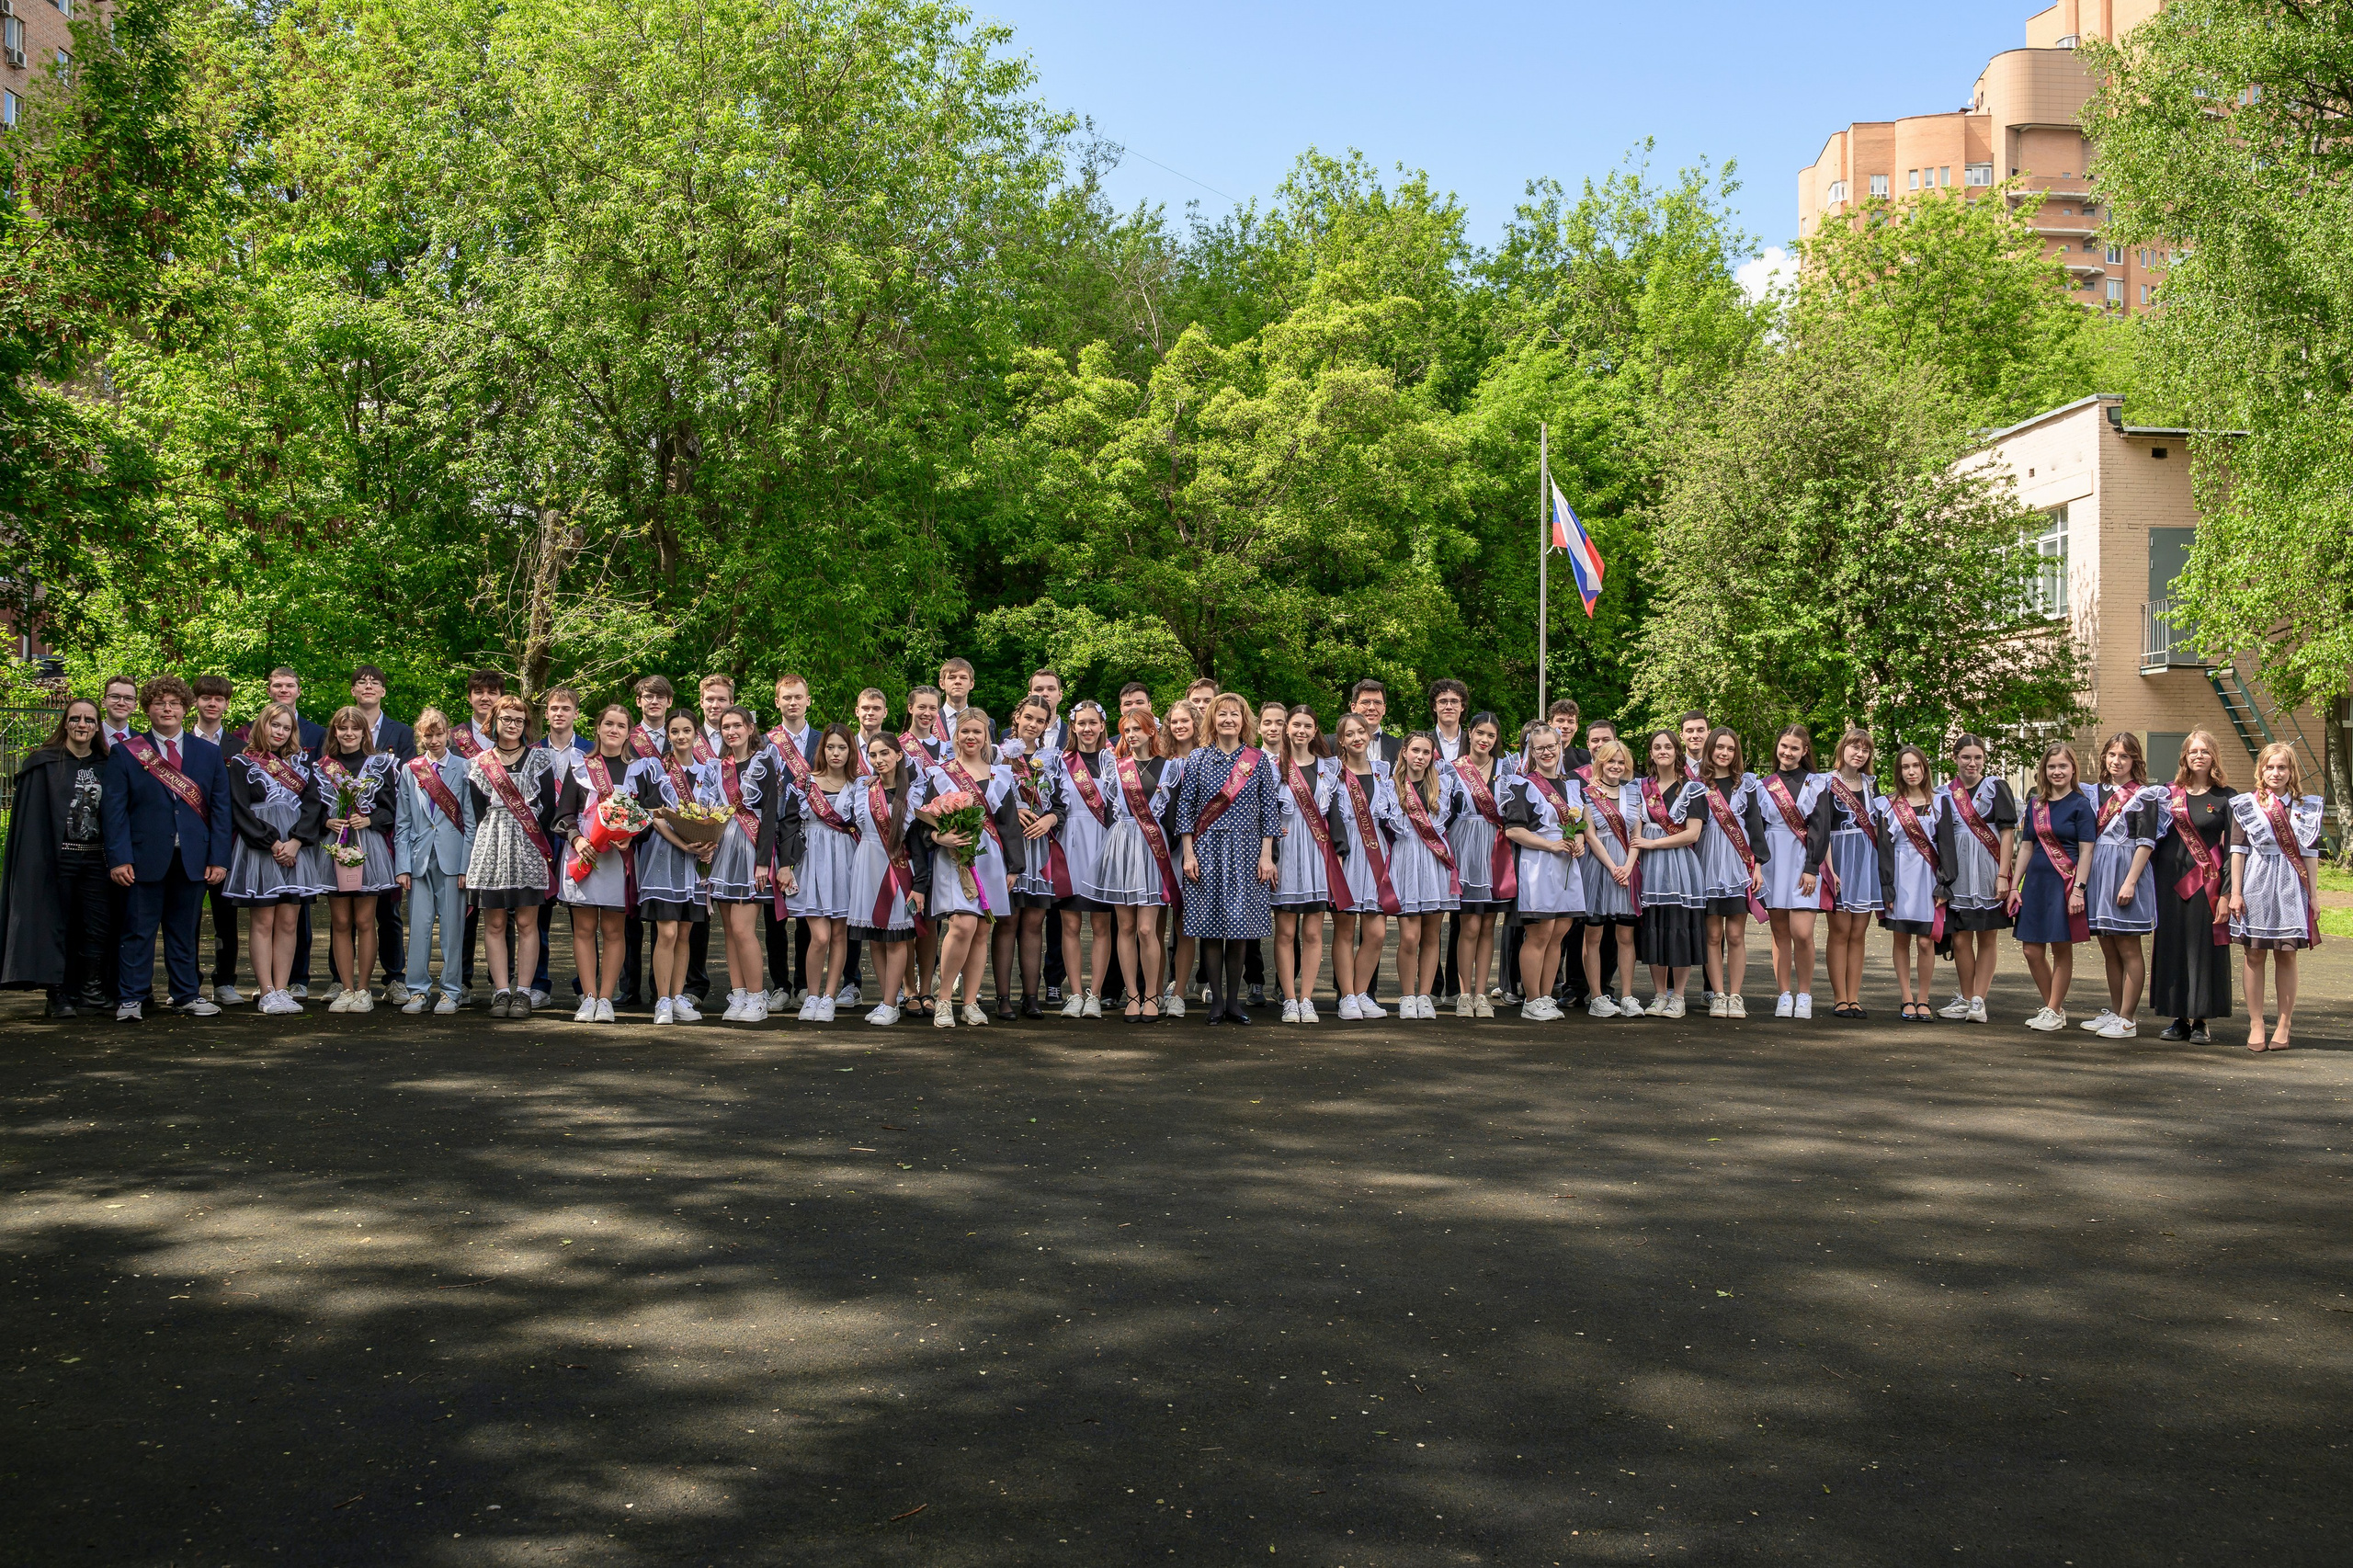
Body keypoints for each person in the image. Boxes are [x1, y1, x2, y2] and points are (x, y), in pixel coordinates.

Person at [102, 676, 232, 1020]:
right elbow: (114, 812)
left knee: (184, 931)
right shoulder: (126, 752)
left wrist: (219, 858)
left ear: (185, 708)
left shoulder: (208, 752)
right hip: (142, 858)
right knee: (138, 930)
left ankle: (187, 994)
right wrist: (119, 858)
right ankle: (131, 998)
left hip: (192, 857)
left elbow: (221, 810)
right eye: (159, 703)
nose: (167, 709)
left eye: (174, 703)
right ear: (147, 709)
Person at [0, 700, 114, 1015]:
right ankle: (59, 994)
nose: (82, 724)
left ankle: (91, 991)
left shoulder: (107, 764)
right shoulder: (43, 763)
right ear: (65, 723)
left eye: (89, 720)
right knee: (55, 924)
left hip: (95, 860)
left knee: (96, 925)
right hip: (55, 858)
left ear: (96, 726)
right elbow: (31, 822)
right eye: (75, 718)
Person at [1176, 691, 1281, 1025]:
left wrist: (1267, 857)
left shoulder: (1257, 760)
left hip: (1248, 851)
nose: (1228, 720)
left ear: (1243, 720)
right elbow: (1185, 811)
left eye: (1234, 714)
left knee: (1239, 929)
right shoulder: (1197, 759)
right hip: (1206, 851)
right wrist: (1188, 854)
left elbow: (1269, 812)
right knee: (1209, 928)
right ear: (1212, 719)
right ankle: (1217, 1002)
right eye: (1222, 714)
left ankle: (1235, 1002)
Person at [222, 700, 328, 1015]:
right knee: (263, 920)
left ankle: (283, 989)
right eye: (274, 725)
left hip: (295, 849)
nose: (280, 732)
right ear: (262, 725)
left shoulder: (302, 764)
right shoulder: (242, 762)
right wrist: (273, 843)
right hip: (261, 848)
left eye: (286, 727)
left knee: (288, 920)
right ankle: (266, 990)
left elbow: (314, 806)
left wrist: (295, 842)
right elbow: (239, 810)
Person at [916, 707, 1021, 1029]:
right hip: (954, 858)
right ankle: (944, 999)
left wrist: (1014, 867)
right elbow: (922, 825)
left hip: (990, 856)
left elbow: (1009, 825)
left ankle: (971, 1001)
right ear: (956, 735)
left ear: (986, 736)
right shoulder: (939, 774)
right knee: (961, 925)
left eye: (977, 732)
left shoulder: (1000, 775)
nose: (971, 737)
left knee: (981, 931)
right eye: (965, 731)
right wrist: (939, 836)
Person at [464, 694, 563, 1020]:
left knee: (526, 922)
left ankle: (523, 992)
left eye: (519, 720)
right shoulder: (480, 764)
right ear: (495, 722)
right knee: (493, 923)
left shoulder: (540, 760)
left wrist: (542, 853)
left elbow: (548, 810)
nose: (512, 725)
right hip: (491, 847)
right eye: (506, 719)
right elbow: (478, 813)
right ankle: (501, 990)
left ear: (526, 725)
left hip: (529, 848)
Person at [2229, 742, 2323, 1052]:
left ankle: (2284, 1023)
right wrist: (2236, 893)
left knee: (2286, 953)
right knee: (2254, 954)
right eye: (2269, 766)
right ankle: (2257, 1023)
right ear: (2261, 770)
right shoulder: (2246, 804)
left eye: (2282, 767)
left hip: (2291, 885)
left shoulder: (2306, 807)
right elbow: (2238, 851)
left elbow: (2310, 853)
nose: (2275, 772)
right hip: (2256, 881)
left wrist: (2314, 896)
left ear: (2291, 771)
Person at [551, 705, 642, 1022]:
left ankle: (606, 999)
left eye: (621, 726)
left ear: (629, 732)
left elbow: (648, 818)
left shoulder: (639, 770)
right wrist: (577, 840)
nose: (614, 730)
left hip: (618, 859)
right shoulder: (579, 765)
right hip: (584, 854)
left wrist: (631, 838)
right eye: (608, 724)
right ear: (598, 728)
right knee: (585, 928)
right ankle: (588, 997)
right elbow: (563, 814)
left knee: (614, 930)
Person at [629, 711, 717, 1025]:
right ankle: (662, 1000)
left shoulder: (710, 771)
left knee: (684, 934)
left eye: (687, 730)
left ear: (697, 734)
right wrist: (684, 845)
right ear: (668, 734)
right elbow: (654, 815)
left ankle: (678, 996)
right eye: (675, 731)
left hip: (695, 864)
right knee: (665, 931)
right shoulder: (656, 770)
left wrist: (708, 846)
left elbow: (716, 816)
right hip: (664, 856)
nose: (681, 736)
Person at [2081, 733, 2171, 1040]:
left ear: (2135, 760)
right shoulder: (2095, 793)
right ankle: (2115, 1010)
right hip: (2099, 872)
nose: (2116, 761)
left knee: (2128, 946)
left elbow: (2146, 843)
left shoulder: (2144, 795)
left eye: (2124, 756)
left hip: (2126, 870)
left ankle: (2128, 1018)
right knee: (2108, 947)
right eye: (2111, 755)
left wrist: (2130, 882)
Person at [2150, 730, 2234, 1044]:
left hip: (2207, 886)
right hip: (2169, 881)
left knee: (2202, 948)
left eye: (2205, 751)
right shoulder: (2168, 794)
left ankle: (2201, 1019)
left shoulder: (2226, 797)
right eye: (2193, 751)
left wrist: (2226, 893)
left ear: (2214, 756)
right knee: (2172, 945)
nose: (2199, 756)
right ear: (2184, 756)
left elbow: (2234, 850)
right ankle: (2177, 1017)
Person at [2007, 743, 2097, 1032]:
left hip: (2065, 883)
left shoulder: (2081, 805)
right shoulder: (2036, 804)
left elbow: (2087, 852)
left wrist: (2079, 890)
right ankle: (2053, 1007)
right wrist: (2013, 885)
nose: (2057, 772)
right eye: (2051, 767)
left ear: (2073, 769)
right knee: (2031, 949)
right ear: (2044, 771)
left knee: (2061, 947)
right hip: (2035, 882)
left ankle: (2053, 1008)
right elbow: (2026, 846)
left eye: (2062, 766)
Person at [707, 705, 790, 1023]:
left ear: (750, 728)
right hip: (724, 848)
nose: (732, 731)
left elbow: (770, 814)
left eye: (737, 725)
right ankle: (738, 994)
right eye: (726, 726)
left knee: (743, 929)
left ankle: (757, 997)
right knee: (728, 930)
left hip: (752, 849)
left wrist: (762, 862)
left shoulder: (764, 761)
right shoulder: (719, 766)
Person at [314, 707, 399, 1013]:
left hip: (368, 846)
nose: (349, 734)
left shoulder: (379, 764)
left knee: (365, 921)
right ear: (334, 732)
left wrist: (370, 820)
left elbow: (391, 810)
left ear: (365, 732)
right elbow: (313, 810)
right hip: (335, 845)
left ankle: (364, 990)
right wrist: (327, 823)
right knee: (340, 921)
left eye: (355, 729)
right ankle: (346, 989)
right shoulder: (322, 766)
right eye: (342, 728)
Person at [1501, 722, 1586, 1021]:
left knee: (1558, 934)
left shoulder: (1571, 785)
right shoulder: (1523, 784)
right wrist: (1550, 847)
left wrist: (1578, 840)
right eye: (1540, 748)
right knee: (1540, 933)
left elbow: (1579, 825)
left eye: (1552, 746)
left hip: (1566, 865)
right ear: (1532, 752)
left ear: (1559, 747)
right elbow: (1513, 831)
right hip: (1538, 864)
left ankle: (1547, 996)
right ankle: (1532, 999)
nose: (1547, 752)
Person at [392, 708, 472, 1017]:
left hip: (453, 862)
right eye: (428, 734)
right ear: (421, 736)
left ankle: (451, 992)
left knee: (452, 932)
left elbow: (470, 821)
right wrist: (402, 866)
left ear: (448, 733)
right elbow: (403, 822)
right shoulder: (410, 770)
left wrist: (466, 865)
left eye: (439, 733)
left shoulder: (464, 768)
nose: (435, 739)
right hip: (418, 861)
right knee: (420, 930)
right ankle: (417, 991)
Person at [1099, 710, 1179, 1021]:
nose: (1131, 734)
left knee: (1148, 929)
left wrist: (1160, 850)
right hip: (1122, 846)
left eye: (1137, 729)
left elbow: (1172, 817)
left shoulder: (1169, 768)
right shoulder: (1115, 767)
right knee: (1127, 926)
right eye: (1126, 729)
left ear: (1151, 731)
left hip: (1153, 850)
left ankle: (1152, 994)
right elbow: (1110, 812)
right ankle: (1132, 994)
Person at [781, 723, 861, 1022]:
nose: (836, 753)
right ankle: (811, 995)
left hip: (846, 861)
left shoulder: (860, 786)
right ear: (822, 750)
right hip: (811, 861)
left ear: (850, 751)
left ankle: (829, 996)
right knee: (819, 936)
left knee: (840, 933)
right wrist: (785, 866)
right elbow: (788, 826)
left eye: (842, 747)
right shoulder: (804, 783)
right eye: (831, 747)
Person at [1936, 735, 2017, 1026]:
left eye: (1978, 758)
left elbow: (2008, 833)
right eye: (1966, 757)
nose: (1972, 763)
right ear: (1955, 758)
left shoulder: (1996, 788)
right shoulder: (1943, 793)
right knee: (1959, 938)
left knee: (1987, 936)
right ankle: (1967, 997)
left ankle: (1979, 1000)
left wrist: (2003, 875)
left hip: (1987, 872)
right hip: (1958, 875)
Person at [847, 731, 927, 1025]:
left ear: (898, 755)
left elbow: (918, 843)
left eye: (884, 753)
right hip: (867, 865)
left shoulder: (912, 794)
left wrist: (920, 885)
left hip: (898, 871)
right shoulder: (863, 789)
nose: (878, 760)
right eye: (872, 754)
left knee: (895, 938)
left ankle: (891, 1001)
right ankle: (886, 1001)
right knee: (876, 939)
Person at [1691, 727, 1768, 1018]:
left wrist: (1758, 864)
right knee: (1711, 936)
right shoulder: (1696, 785)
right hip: (1707, 865)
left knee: (1735, 935)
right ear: (1710, 749)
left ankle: (1736, 996)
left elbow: (1756, 827)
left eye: (1731, 748)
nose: (1724, 753)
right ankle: (1717, 994)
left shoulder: (1747, 785)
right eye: (1720, 747)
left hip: (1738, 866)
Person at [994, 698, 1063, 1019]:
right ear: (1017, 717)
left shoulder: (1053, 759)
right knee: (1008, 922)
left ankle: (1031, 996)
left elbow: (1062, 804)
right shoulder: (998, 755)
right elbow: (987, 797)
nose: (1033, 724)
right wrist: (1015, 809)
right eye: (1028, 717)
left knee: (1034, 923)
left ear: (1047, 724)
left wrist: (1050, 819)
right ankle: (1003, 998)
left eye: (1040, 720)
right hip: (1009, 846)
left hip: (1039, 847)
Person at [1386, 732, 1463, 1020]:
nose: (1420, 757)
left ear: (1432, 756)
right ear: (1404, 752)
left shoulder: (1440, 785)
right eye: (1415, 751)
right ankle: (1407, 995)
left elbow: (1446, 823)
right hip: (1406, 859)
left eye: (1426, 752)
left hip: (1433, 862)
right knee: (1409, 936)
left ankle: (1425, 995)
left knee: (1432, 935)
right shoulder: (1390, 784)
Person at [1330, 712, 1402, 1020]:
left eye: (1361, 732)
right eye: (1350, 734)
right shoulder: (1333, 774)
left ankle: (1361, 993)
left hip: (1377, 855)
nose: (1357, 738)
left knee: (1376, 933)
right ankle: (1346, 997)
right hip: (1348, 855)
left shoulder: (1383, 772)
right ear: (1342, 740)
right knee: (1345, 930)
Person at [1271, 704, 1341, 1024]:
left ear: (1316, 731)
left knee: (1313, 932)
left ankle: (1307, 998)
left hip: (1317, 851)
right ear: (1287, 728)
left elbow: (1336, 814)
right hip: (1285, 852)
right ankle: (1288, 998)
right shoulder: (1273, 766)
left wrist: (1338, 854)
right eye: (1296, 725)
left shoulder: (1330, 767)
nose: (1301, 731)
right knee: (1285, 931)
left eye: (1307, 726)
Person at [1630, 730, 1706, 1017]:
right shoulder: (1641, 788)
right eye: (1656, 747)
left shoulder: (1693, 789)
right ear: (1650, 753)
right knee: (1654, 930)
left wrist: (1653, 842)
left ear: (1678, 751)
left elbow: (1692, 834)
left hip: (1679, 868)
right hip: (1649, 867)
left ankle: (1679, 996)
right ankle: (1659, 994)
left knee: (1678, 930)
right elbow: (1636, 828)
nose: (1662, 751)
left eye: (1668, 747)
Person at [1808, 730, 1882, 1021]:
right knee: (1839, 931)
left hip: (1865, 860)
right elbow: (1821, 828)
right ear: (1843, 748)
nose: (1859, 753)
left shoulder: (1871, 784)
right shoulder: (1826, 782)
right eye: (1854, 746)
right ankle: (1839, 998)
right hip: (1837, 859)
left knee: (1858, 933)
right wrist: (1829, 870)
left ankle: (1854, 997)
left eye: (1865, 750)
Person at [1053, 701, 1119, 1019]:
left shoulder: (1115, 761)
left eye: (1093, 723)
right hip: (1070, 843)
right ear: (1073, 727)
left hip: (1104, 842)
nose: (1087, 729)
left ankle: (1096, 993)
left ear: (1103, 725)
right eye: (1081, 723)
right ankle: (1075, 992)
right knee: (1070, 922)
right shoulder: (1060, 761)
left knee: (1102, 923)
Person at [1874, 745, 1949, 1022]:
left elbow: (1947, 847)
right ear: (1899, 771)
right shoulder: (1889, 804)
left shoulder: (1940, 802)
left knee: (1926, 942)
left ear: (1925, 768)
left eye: (1916, 765)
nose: (1911, 771)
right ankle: (1906, 997)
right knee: (1901, 938)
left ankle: (1924, 998)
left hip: (1929, 877)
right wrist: (1886, 885)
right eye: (1905, 767)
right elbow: (1884, 848)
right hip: (1901, 877)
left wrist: (1945, 883)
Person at [1757, 724, 1827, 1020]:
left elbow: (1821, 829)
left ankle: (1805, 993)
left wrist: (1812, 868)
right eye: (1784, 746)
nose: (1787, 752)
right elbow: (1757, 830)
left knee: (1802, 933)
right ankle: (1784, 993)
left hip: (1803, 863)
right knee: (1780, 933)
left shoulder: (1817, 783)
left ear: (1805, 751)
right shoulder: (1762, 785)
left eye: (1794, 748)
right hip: (1774, 861)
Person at [1446, 711, 1513, 1017]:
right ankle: (1463, 993)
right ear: (1469, 733)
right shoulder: (1451, 770)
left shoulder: (1506, 769)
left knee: (1488, 925)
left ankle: (1482, 993)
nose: (1485, 740)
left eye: (1491, 735)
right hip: (1465, 846)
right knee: (1468, 924)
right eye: (1480, 733)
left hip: (1496, 849)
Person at [763, 673, 823, 1011]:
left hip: (813, 834)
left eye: (798, 697)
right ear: (777, 702)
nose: (792, 703)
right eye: (786, 698)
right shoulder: (764, 742)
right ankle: (779, 984)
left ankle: (802, 983)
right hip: (774, 836)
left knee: (806, 913)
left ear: (808, 700)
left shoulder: (822, 739)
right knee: (774, 915)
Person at [188, 675, 244, 1006]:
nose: (212, 704)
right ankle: (188, 982)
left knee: (227, 918)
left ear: (226, 704)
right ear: (195, 701)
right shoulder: (178, 743)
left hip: (228, 843)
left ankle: (225, 981)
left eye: (219, 699)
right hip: (189, 844)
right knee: (188, 917)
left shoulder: (240, 749)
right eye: (206, 697)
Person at [1577, 739, 1641, 1017]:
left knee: (1626, 935)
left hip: (1628, 867)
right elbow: (1589, 835)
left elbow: (1637, 834)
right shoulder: (1587, 794)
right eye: (1610, 761)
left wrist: (1626, 866)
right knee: (1593, 933)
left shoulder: (1634, 792)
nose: (1615, 766)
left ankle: (1627, 995)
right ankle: (1597, 996)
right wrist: (1613, 866)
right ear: (1600, 762)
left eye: (1620, 761)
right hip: (1598, 866)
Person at [1157, 701, 1201, 1012]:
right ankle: (1154, 991)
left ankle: (1179, 994)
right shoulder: (1161, 760)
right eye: (1174, 721)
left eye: (1185, 720)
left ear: (1197, 723)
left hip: (1196, 849)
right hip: (1162, 847)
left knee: (1185, 924)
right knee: (1155, 925)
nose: (1179, 726)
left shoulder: (1207, 759)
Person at [938, 657, 980, 740]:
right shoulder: (930, 721)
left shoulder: (986, 723)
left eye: (963, 678)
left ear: (971, 684)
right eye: (952, 677)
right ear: (942, 683)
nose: (958, 681)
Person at [100, 675, 140, 751]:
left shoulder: (144, 742)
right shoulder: (89, 738)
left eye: (128, 698)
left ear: (135, 706)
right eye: (115, 696)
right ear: (103, 702)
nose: (121, 703)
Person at [1677, 711, 1711, 781]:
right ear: (1681, 735)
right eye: (1689, 731)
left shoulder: (1718, 768)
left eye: (1700, 730)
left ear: (1709, 734)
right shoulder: (1674, 769)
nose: (1695, 736)